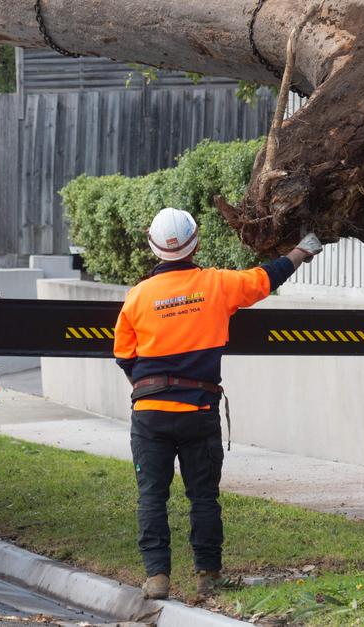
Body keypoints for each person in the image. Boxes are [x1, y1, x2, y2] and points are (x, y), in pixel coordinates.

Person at [113, 206, 322, 601]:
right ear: (195, 242)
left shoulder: (137, 297)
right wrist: (301, 251)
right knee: (203, 497)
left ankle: (157, 578)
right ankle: (208, 576)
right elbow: (265, 279)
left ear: (153, 246)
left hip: (150, 415)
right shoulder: (216, 285)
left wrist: (151, 389)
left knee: (151, 497)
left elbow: (124, 356)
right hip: (199, 411)